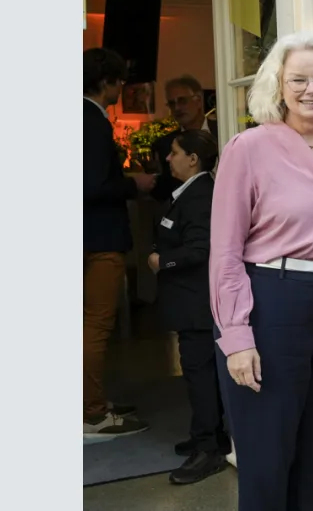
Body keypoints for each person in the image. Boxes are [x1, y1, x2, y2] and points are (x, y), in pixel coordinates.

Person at [209, 32, 313, 510]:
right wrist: (236, 336)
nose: (311, 89)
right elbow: (225, 250)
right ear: (279, 86)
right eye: (298, 79)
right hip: (271, 303)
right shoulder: (249, 147)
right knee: (267, 459)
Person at [148, 129, 230, 484]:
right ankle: (208, 436)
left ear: (193, 158)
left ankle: (209, 448)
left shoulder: (199, 195)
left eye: (175, 152)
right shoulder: (189, 193)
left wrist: (160, 260)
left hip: (197, 305)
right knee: (201, 373)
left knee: (200, 375)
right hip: (190, 304)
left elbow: (200, 249)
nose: (168, 158)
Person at [83, 47, 156, 437]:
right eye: (119, 80)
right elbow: (93, 186)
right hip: (98, 238)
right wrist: (135, 184)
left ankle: (87, 402)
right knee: (95, 326)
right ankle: (92, 415)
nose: (121, 88)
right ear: (107, 82)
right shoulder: (92, 121)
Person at [151, 75, 218, 200]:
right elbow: (164, 193)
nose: (177, 108)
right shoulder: (164, 144)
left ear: (198, 101)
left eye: (182, 101)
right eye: (172, 103)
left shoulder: (223, 130)